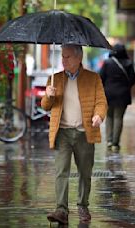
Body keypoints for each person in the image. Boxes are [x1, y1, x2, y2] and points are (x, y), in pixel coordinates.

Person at [41, 44, 108, 224]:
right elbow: (45, 106)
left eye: (68, 57)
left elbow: (101, 102)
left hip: (84, 133)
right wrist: (48, 95)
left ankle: (83, 205)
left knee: (85, 172)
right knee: (61, 170)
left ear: (79, 58)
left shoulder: (93, 78)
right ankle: (61, 209)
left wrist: (98, 116)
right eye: (62, 56)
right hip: (62, 132)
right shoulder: (54, 79)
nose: (63, 60)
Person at [100, 44, 135, 152]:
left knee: (109, 117)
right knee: (118, 118)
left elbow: (101, 77)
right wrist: (125, 86)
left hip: (108, 94)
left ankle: (109, 141)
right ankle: (115, 143)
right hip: (123, 95)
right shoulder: (129, 63)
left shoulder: (107, 63)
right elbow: (133, 79)